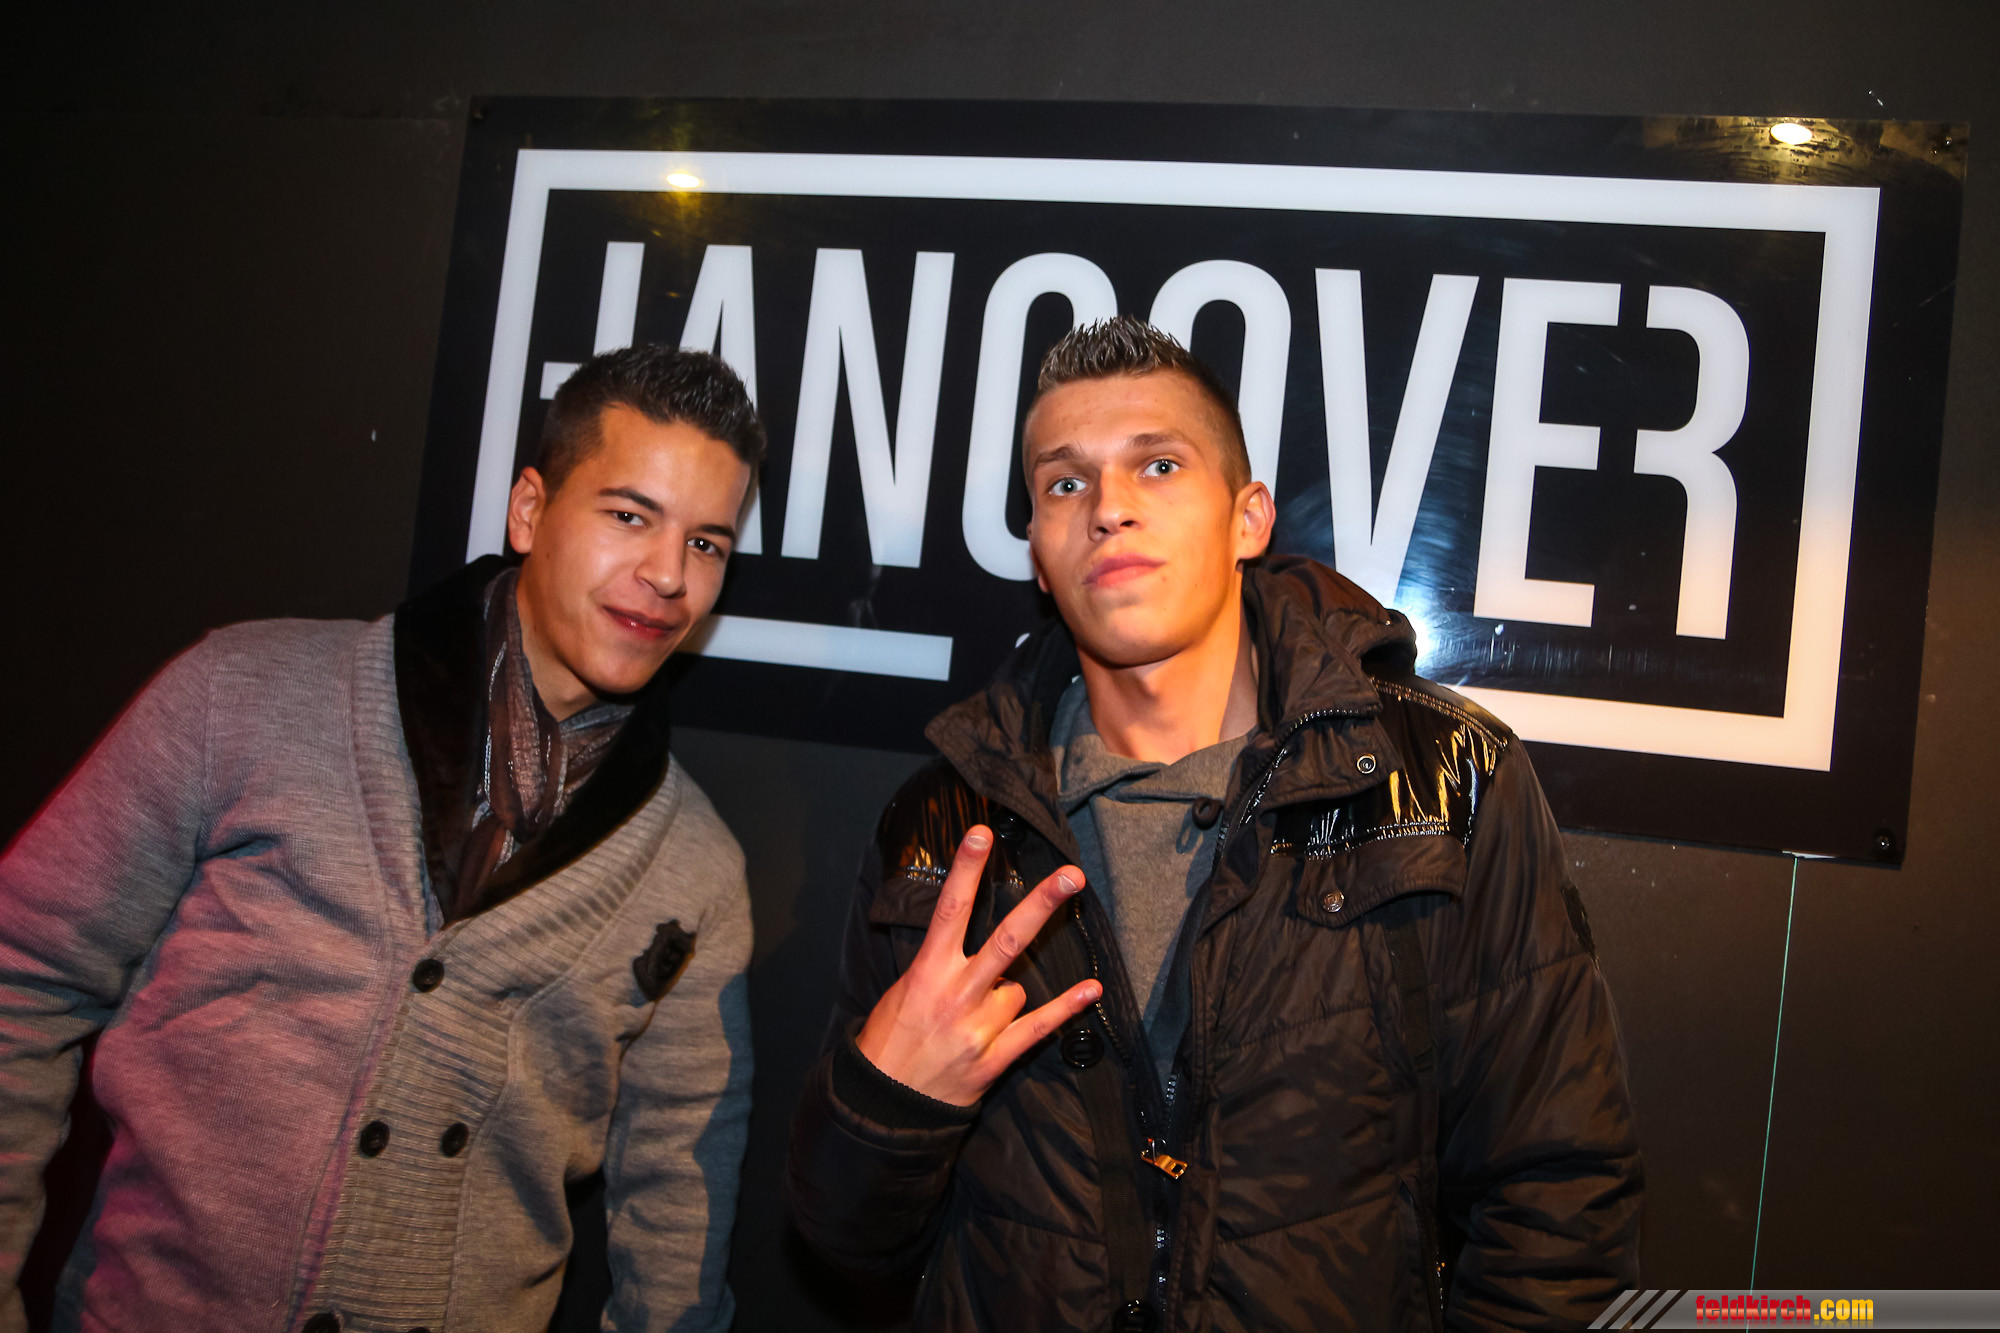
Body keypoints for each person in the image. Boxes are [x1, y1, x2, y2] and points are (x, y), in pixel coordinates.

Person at [787, 317, 1642, 1331]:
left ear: (1248, 519)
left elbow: (1558, 1197)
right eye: (1064, 482)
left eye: (1157, 465)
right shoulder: (940, 825)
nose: (1108, 507)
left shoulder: (1440, 780)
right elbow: (847, 1243)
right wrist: (889, 1106)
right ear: (1039, 556)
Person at [0, 345, 762, 1333]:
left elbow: (679, 1220)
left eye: (706, 543)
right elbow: (21, 976)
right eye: (629, 515)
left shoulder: (696, 869)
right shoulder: (243, 694)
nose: (667, 575)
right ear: (528, 511)